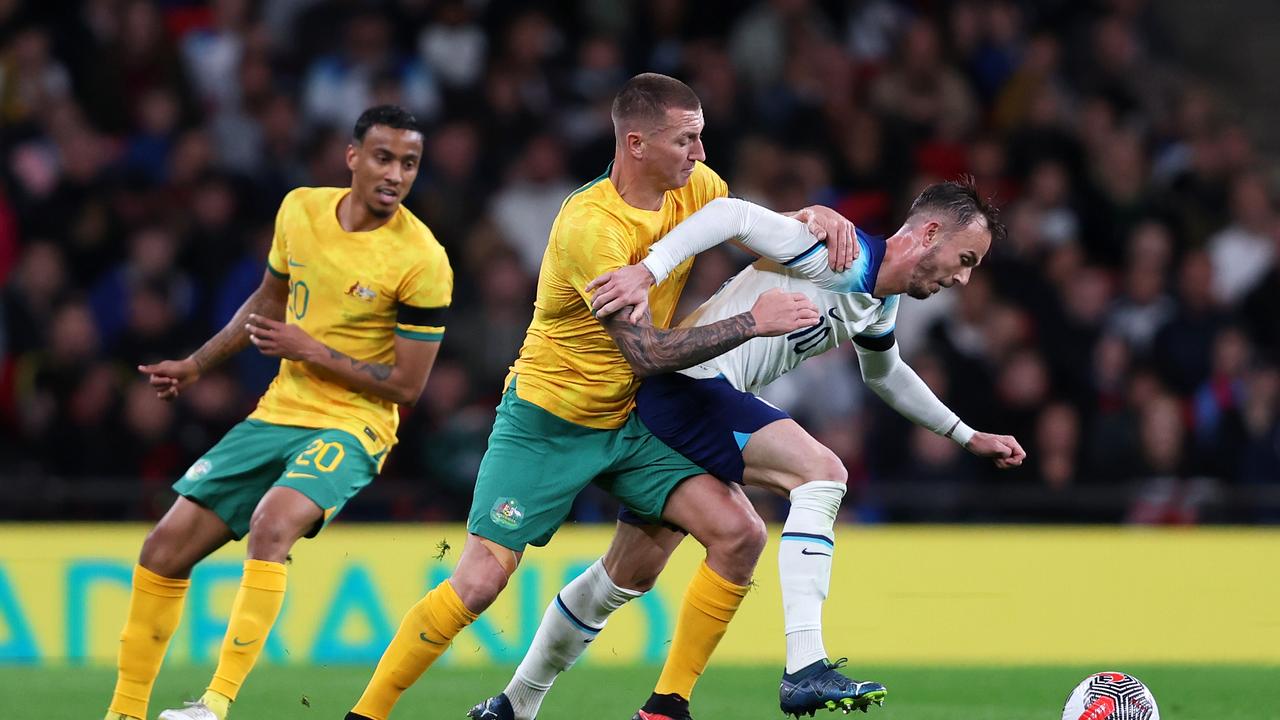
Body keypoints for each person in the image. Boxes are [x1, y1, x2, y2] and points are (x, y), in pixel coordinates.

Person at [343, 72, 855, 720]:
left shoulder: (697, 189)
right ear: (636, 144)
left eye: (701, 138)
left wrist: (809, 218)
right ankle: (366, 715)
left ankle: (664, 708)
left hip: (633, 418)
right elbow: (641, 351)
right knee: (478, 582)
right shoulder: (592, 228)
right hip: (548, 421)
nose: (700, 154)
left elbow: (761, 230)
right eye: (685, 140)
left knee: (738, 533)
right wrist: (754, 322)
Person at [469, 179, 1026, 720]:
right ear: (930, 233)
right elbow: (731, 216)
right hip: (689, 387)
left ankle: (520, 703)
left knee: (626, 575)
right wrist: (648, 270)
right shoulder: (835, 250)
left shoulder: (877, 304)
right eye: (967, 258)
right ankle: (805, 665)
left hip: (698, 404)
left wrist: (967, 435)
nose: (964, 278)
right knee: (822, 474)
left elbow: (887, 375)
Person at [104, 105, 452, 720]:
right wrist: (198, 363)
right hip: (277, 413)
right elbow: (266, 302)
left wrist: (311, 349)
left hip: (355, 424)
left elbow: (407, 386)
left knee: (271, 524)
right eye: (383, 157)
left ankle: (214, 705)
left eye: (409, 163)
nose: (395, 173)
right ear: (352, 157)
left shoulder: (423, 261)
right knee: (163, 549)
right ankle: (125, 713)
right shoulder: (299, 209)